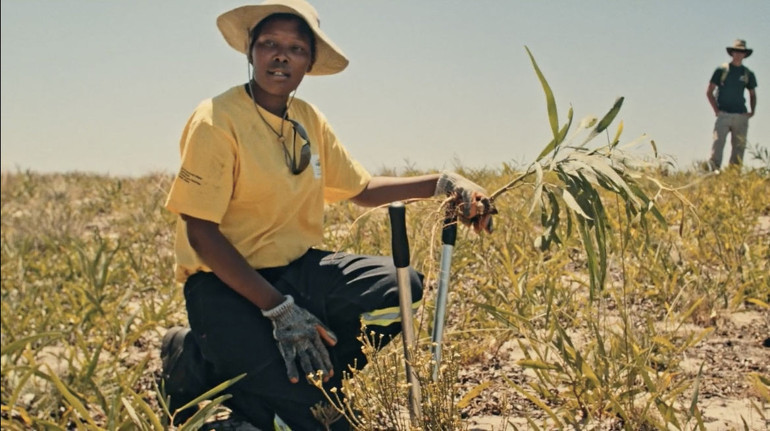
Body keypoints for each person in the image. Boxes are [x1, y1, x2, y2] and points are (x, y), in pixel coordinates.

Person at [158, 0, 496, 430]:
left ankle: (306, 382)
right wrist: (279, 310)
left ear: (309, 62)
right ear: (251, 52)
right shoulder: (216, 120)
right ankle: (202, 362)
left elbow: (362, 189)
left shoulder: (308, 120)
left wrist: (445, 183)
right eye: (269, 44)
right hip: (227, 286)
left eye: (296, 48)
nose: (281, 56)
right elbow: (201, 232)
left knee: (400, 287)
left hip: (298, 272)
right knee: (323, 425)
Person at [706, 39, 758, 171]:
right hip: (724, 114)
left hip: (740, 114)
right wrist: (716, 110)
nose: (739, 54)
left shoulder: (747, 74)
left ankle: (733, 176)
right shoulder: (722, 70)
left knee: (738, 148)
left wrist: (752, 111)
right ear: (732, 53)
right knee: (718, 144)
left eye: (742, 52)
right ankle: (713, 172)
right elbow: (709, 91)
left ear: (745, 54)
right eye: (737, 51)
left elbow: (752, 93)